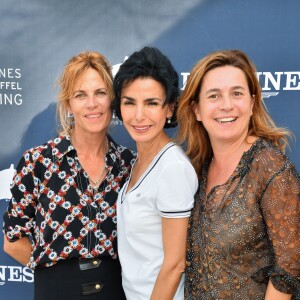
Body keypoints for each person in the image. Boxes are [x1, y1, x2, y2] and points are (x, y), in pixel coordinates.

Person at [3, 51, 135, 299]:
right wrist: (54, 276)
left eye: (100, 93)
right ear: (68, 104)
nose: (92, 104)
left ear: (112, 99)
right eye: (80, 95)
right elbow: (12, 241)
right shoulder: (38, 162)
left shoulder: (129, 164)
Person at [177, 49, 300, 299]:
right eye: (214, 96)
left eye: (237, 93)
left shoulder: (268, 167)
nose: (227, 105)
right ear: (196, 110)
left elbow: (290, 267)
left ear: (252, 102)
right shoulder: (195, 169)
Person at [113, 46, 198, 300]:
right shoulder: (141, 159)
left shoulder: (171, 168)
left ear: (169, 108)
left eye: (151, 103)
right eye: (130, 102)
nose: (139, 116)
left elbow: (175, 265)